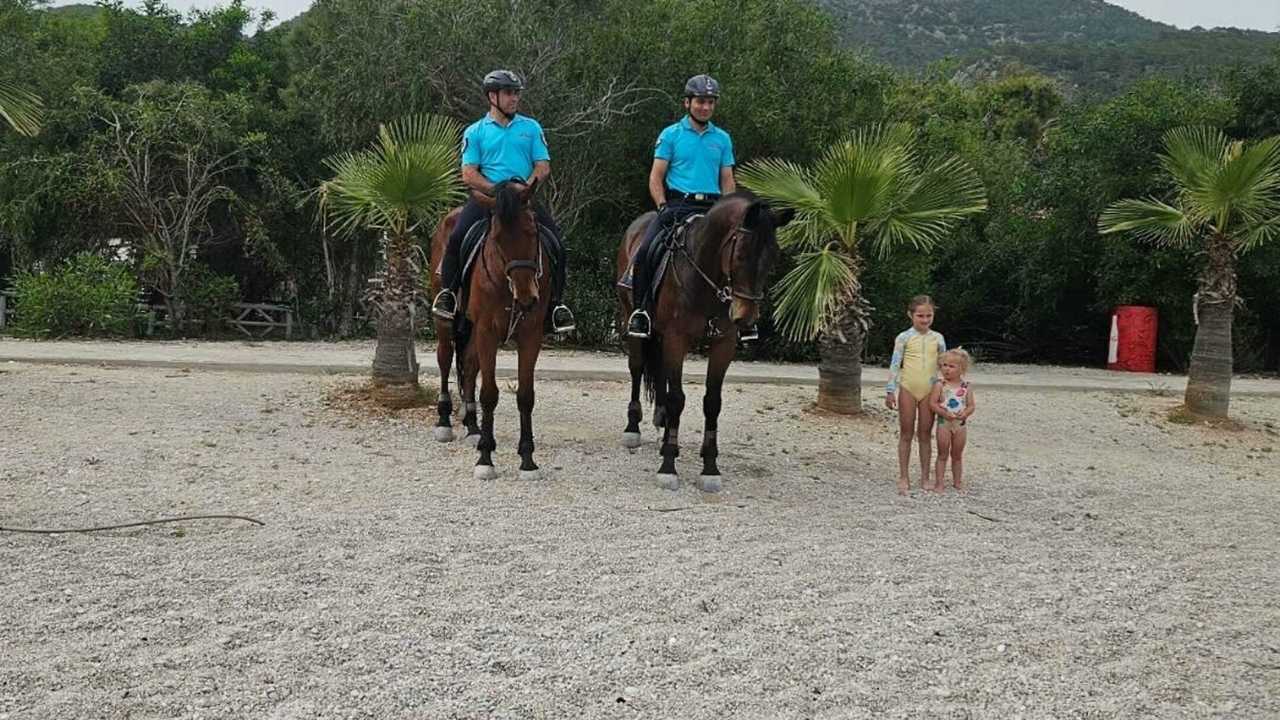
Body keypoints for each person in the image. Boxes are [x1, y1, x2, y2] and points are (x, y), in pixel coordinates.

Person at [432, 69, 575, 333]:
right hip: (487, 200)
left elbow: (543, 166)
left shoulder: (531, 128)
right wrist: (495, 189)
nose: (514, 98)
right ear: (492, 96)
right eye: (509, 93)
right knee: (456, 239)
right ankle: (449, 295)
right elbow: (468, 173)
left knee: (556, 243)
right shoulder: (475, 132)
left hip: (522, 200)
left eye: (516, 93)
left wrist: (526, 187)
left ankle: (556, 305)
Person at [626, 74, 741, 340]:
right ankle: (642, 312)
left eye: (711, 102)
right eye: (701, 101)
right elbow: (656, 176)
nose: (706, 107)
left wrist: (730, 211)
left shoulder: (722, 139)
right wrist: (662, 205)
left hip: (713, 209)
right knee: (645, 252)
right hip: (678, 205)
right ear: (687, 103)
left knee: (740, 256)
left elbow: (727, 179)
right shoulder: (671, 135)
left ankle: (739, 317)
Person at [885, 295, 947, 495]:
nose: (925, 320)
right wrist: (890, 390)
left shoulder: (938, 338)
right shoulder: (904, 337)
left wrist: (944, 390)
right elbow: (896, 364)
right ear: (910, 315)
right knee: (906, 433)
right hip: (908, 388)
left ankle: (925, 476)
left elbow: (944, 366)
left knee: (925, 435)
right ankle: (903, 476)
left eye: (929, 316)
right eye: (920, 315)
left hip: (929, 390)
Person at [930, 348, 975, 492]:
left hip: (960, 425)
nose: (947, 369)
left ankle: (957, 482)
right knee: (942, 454)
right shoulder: (940, 385)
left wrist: (966, 413)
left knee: (957, 455)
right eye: (944, 365)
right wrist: (943, 413)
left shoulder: (966, 387)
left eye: (951, 366)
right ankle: (939, 483)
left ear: (961, 369)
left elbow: (971, 405)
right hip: (944, 424)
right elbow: (933, 403)